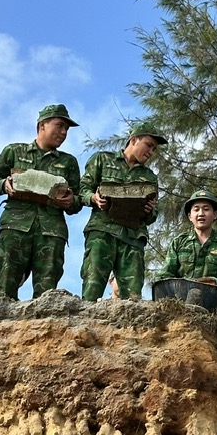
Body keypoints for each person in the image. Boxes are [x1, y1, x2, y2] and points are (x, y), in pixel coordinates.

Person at [0, 103, 84, 299]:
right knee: (5, 284)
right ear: (42, 126)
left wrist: (71, 201)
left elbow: (79, 199)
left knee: (47, 291)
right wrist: (5, 184)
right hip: (15, 226)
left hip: (51, 230)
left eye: (66, 129)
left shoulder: (69, 162)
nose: (64, 132)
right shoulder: (14, 151)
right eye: (59, 126)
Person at [79, 121, 166, 301]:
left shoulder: (150, 177)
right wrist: (94, 198)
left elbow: (153, 214)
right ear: (134, 140)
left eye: (154, 149)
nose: (151, 152)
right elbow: (82, 190)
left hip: (132, 238)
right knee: (92, 286)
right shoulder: (102, 159)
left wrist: (150, 210)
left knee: (133, 297)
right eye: (148, 145)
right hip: (102, 232)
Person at [159, 189, 217, 288]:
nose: (201, 213)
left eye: (206, 209)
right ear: (190, 216)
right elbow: (165, 275)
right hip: (181, 299)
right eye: (196, 209)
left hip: (214, 300)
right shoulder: (179, 242)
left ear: (214, 215)